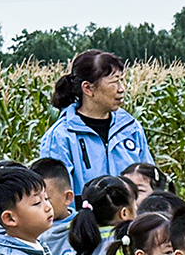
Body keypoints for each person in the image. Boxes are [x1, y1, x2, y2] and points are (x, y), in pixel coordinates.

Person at [38, 50, 153, 196]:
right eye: (114, 82)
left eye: (121, 80)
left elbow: (150, 180)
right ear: (88, 88)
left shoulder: (131, 128)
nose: (121, 89)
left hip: (131, 217)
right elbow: (55, 197)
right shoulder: (61, 137)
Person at [30, 158, 76, 255]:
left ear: (68, 198)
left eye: (46, 198)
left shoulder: (84, 226)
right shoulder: (30, 230)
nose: (43, 206)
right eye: (36, 202)